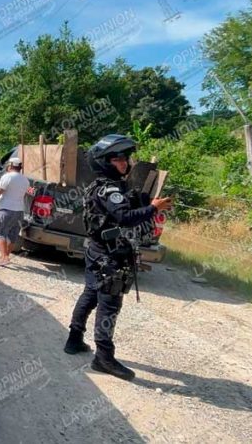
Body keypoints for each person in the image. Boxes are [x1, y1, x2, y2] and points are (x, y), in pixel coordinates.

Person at [64, 134, 173, 381]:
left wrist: (144, 203)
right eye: (117, 160)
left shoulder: (99, 185)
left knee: (90, 293)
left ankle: (74, 339)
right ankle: (103, 357)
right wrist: (154, 208)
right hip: (109, 254)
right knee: (109, 304)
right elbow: (125, 218)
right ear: (104, 162)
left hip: (97, 248)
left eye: (125, 159)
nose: (124, 163)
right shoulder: (110, 189)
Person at [0, 157, 29, 266]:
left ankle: (4, 257)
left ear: (10, 166)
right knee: (13, 235)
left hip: (5, 209)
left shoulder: (7, 177)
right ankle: (6, 256)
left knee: (0, 233)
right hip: (19, 211)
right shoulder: (25, 180)